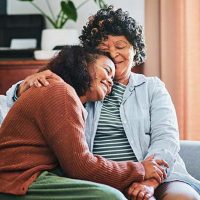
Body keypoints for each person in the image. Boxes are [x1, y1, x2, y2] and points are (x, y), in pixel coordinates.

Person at [1, 6, 200, 200]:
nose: (113, 54)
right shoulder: (79, 86)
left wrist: (148, 182)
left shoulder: (152, 88)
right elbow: (19, 102)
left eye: (121, 46)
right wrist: (27, 84)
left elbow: (166, 140)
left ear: (135, 49)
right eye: (104, 49)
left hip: (156, 177)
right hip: (98, 178)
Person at [0, 45, 168, 200]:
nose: (110, 81)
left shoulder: (66, 95)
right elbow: (80, 165)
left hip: (33, 177)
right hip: (17, 181)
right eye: (107, 70)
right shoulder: (60, 92)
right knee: (110, 197)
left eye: (112, 78)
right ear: (82, 65)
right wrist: (140, 169)